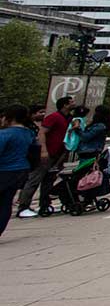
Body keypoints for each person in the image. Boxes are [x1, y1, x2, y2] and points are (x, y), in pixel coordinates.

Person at [16, 97, 71, 218]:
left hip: (58, 154)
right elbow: (42, 132)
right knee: (34, 179)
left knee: (49, 180)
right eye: (71, 102)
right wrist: (44, 150)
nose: (74, 103)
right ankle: (23, 207)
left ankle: (44, 204)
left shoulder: (67, 118)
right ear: (65, 105)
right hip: (47, 154)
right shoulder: (54, 117)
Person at [0, 105, 38, 239]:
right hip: (21, 169)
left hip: (4, 170)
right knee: (6, 202)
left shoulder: (5, 134)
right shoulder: (28, 133)